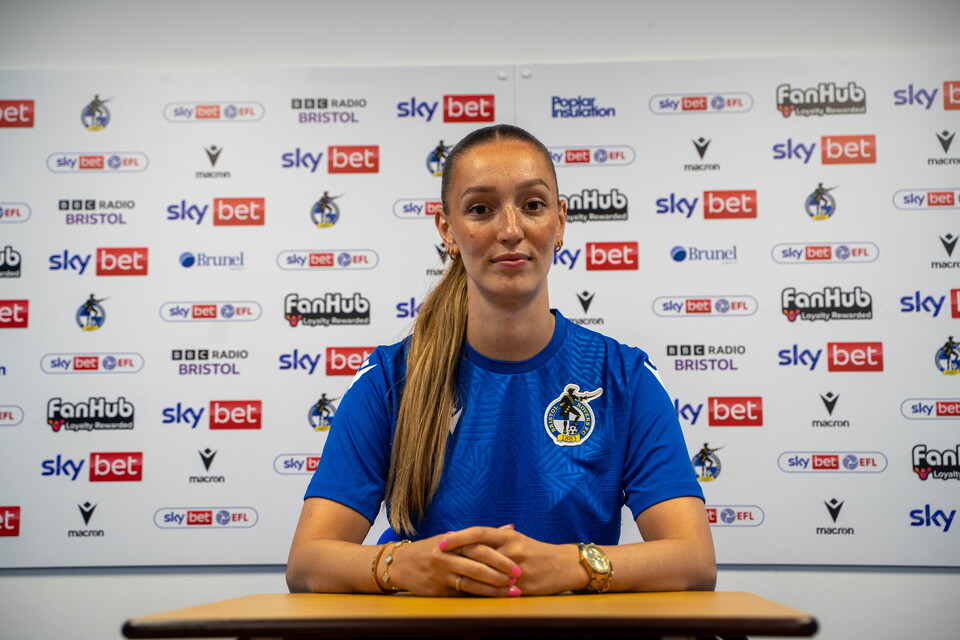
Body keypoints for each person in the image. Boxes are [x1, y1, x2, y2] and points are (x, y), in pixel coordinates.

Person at [286, 124, 716, 597]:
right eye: (480, 209)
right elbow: (307, 562)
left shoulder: (624, 377)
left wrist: (572, 565)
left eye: (533, 205)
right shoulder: (390, 379)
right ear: (447, 230)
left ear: (561, 221)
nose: (510, 230)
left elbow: (694, 560)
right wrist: (402, 564)